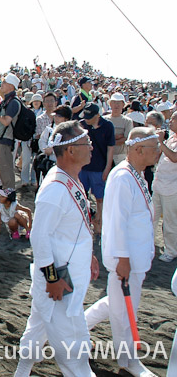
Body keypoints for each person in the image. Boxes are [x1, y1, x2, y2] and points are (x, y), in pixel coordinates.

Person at [15, 121, 99, 377]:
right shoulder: (55, 188)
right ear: (71, 150)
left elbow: (73, 227)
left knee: (36, 330)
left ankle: (21, 372)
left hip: (66, 276)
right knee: (75, 354)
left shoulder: (70, 178)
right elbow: (39, 238)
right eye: (86, 143)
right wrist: (52, 279)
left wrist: (89, 255)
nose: (91, 147)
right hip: (60, 284)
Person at [84, 128, 160, 377]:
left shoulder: (138, 174)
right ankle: (129, 361)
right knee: (125, 310)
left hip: (137, 256)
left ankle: (77, 327)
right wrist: (123, 259)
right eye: (155, 148)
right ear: (138, 149)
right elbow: (116, 222)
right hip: (125, 259)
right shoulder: (122, 178)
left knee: (116, 303)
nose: (159, 152)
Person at [79, 103, 115, 234]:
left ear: (98, 115)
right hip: (83, 167)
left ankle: (99, 222)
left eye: (90, 117)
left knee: (100, 198)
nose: (87, 120)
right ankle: (83, 222)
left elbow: (110, 148)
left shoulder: (108, 126)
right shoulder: (82, 125)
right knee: (81, 196)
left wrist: (107, 168)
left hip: (99, 168)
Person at [0, 73, 21, 189]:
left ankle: (9, 196)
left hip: (5, 139)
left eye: (5, 82)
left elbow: (6, 121)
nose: (2, 84)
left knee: (6, 172)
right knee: (2, 171)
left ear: (11, 86)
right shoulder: (8, 100)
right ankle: (5, 196)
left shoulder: (13, 102)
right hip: (2, 138)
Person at [153, 111, 177, 262]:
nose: (170, 121)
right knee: (152, 217)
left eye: (174, 119)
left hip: (172, 188)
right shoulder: (171, 138)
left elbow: (174, 158)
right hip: (159, 184)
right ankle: (147, 244)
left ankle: (171, 251)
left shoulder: (166, 140)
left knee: (170, 222)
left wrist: (161, 142)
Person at [104, 93, 133, 165]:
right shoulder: (104, 119)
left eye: (119, 103)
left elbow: (126, 139)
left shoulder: (127, 121)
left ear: (123, 105)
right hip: (104, 154)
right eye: (114, 102)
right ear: (110, 104)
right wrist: (117, 137)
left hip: (120, 156)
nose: (116, 105)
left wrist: (110, 140)